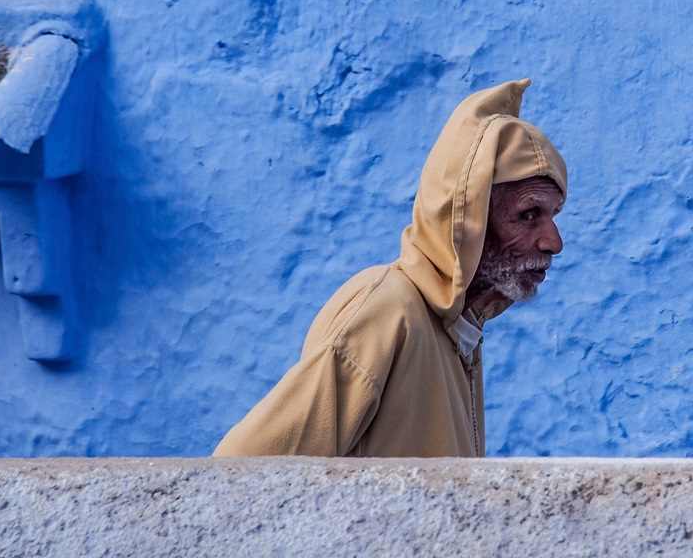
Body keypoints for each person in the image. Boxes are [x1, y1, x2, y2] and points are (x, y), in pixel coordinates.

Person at [213, 79, 567, 457]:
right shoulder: (388, 310)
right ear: (468, 218)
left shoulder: (458, 331)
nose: (554, 242)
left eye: (553, 215)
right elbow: (243, 468)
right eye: (528, 215)